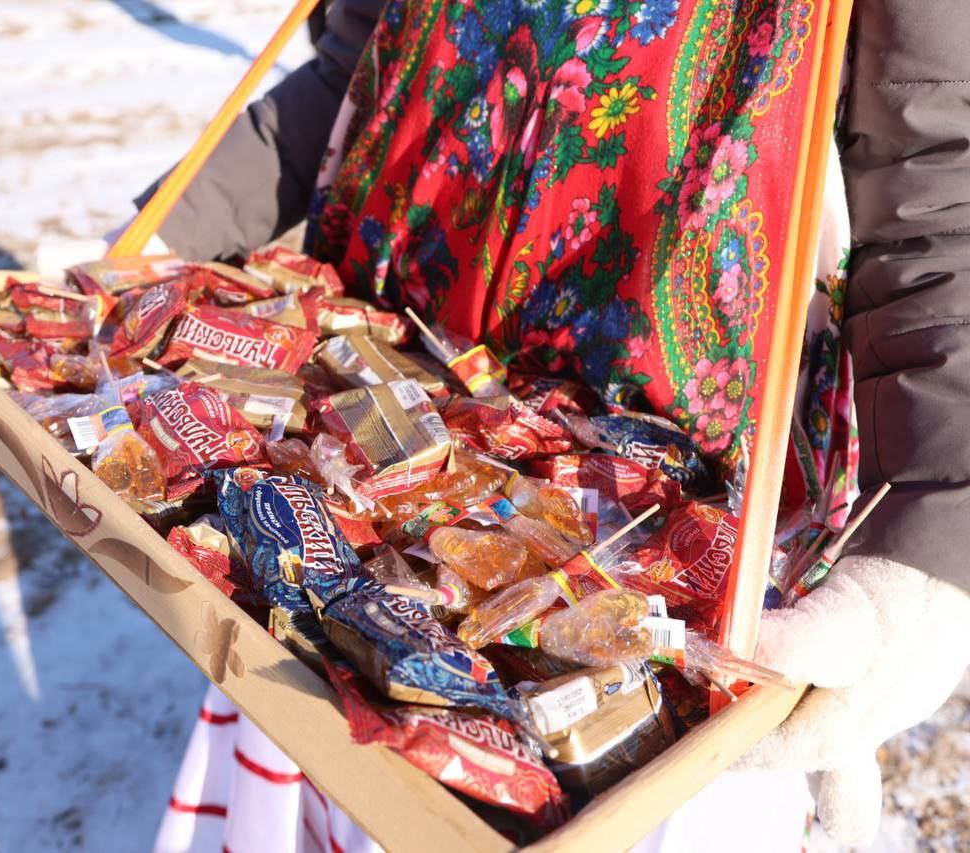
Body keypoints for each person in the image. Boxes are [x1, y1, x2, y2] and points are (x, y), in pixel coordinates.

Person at [102, 0, 970, 848]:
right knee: (346, 745)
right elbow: (357, 64)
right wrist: (163, 241)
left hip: (672, 517)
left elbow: (930, 187)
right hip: (356, 435)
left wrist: (926, 548)